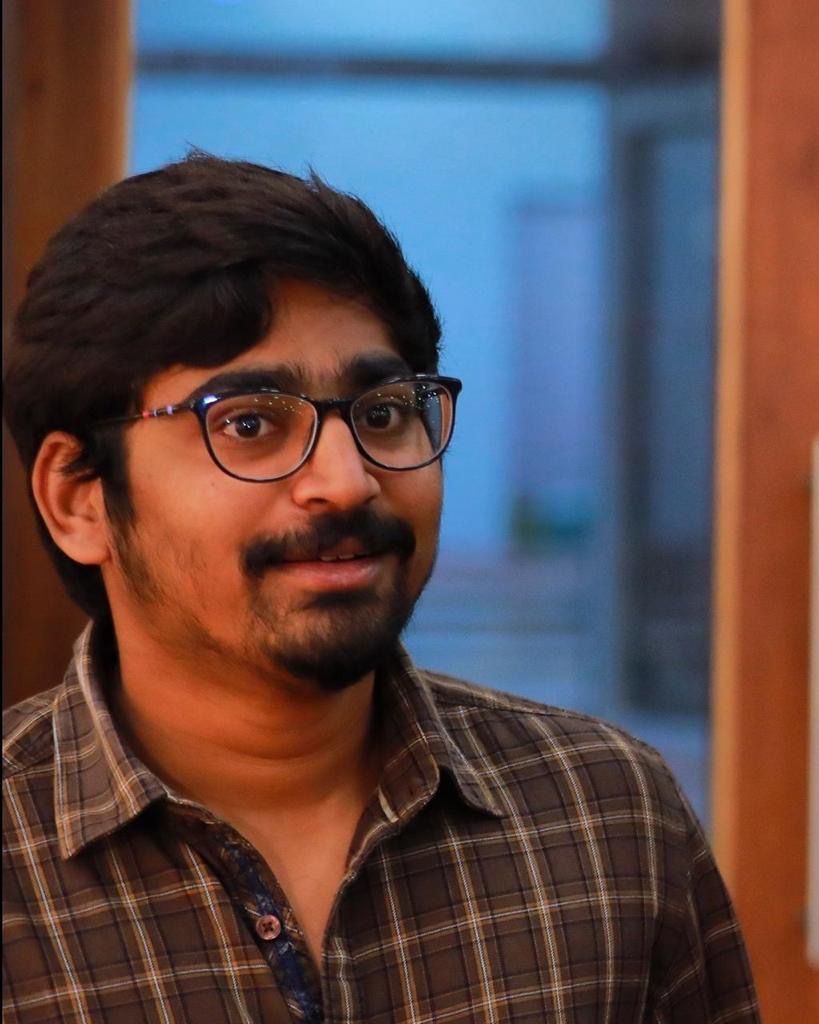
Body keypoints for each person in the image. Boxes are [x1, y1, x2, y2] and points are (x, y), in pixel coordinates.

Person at [3, 155, 759, 1024]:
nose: (347, 481)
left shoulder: (605, 822)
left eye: (383, 413)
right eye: (248, 423)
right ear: (79, 499)